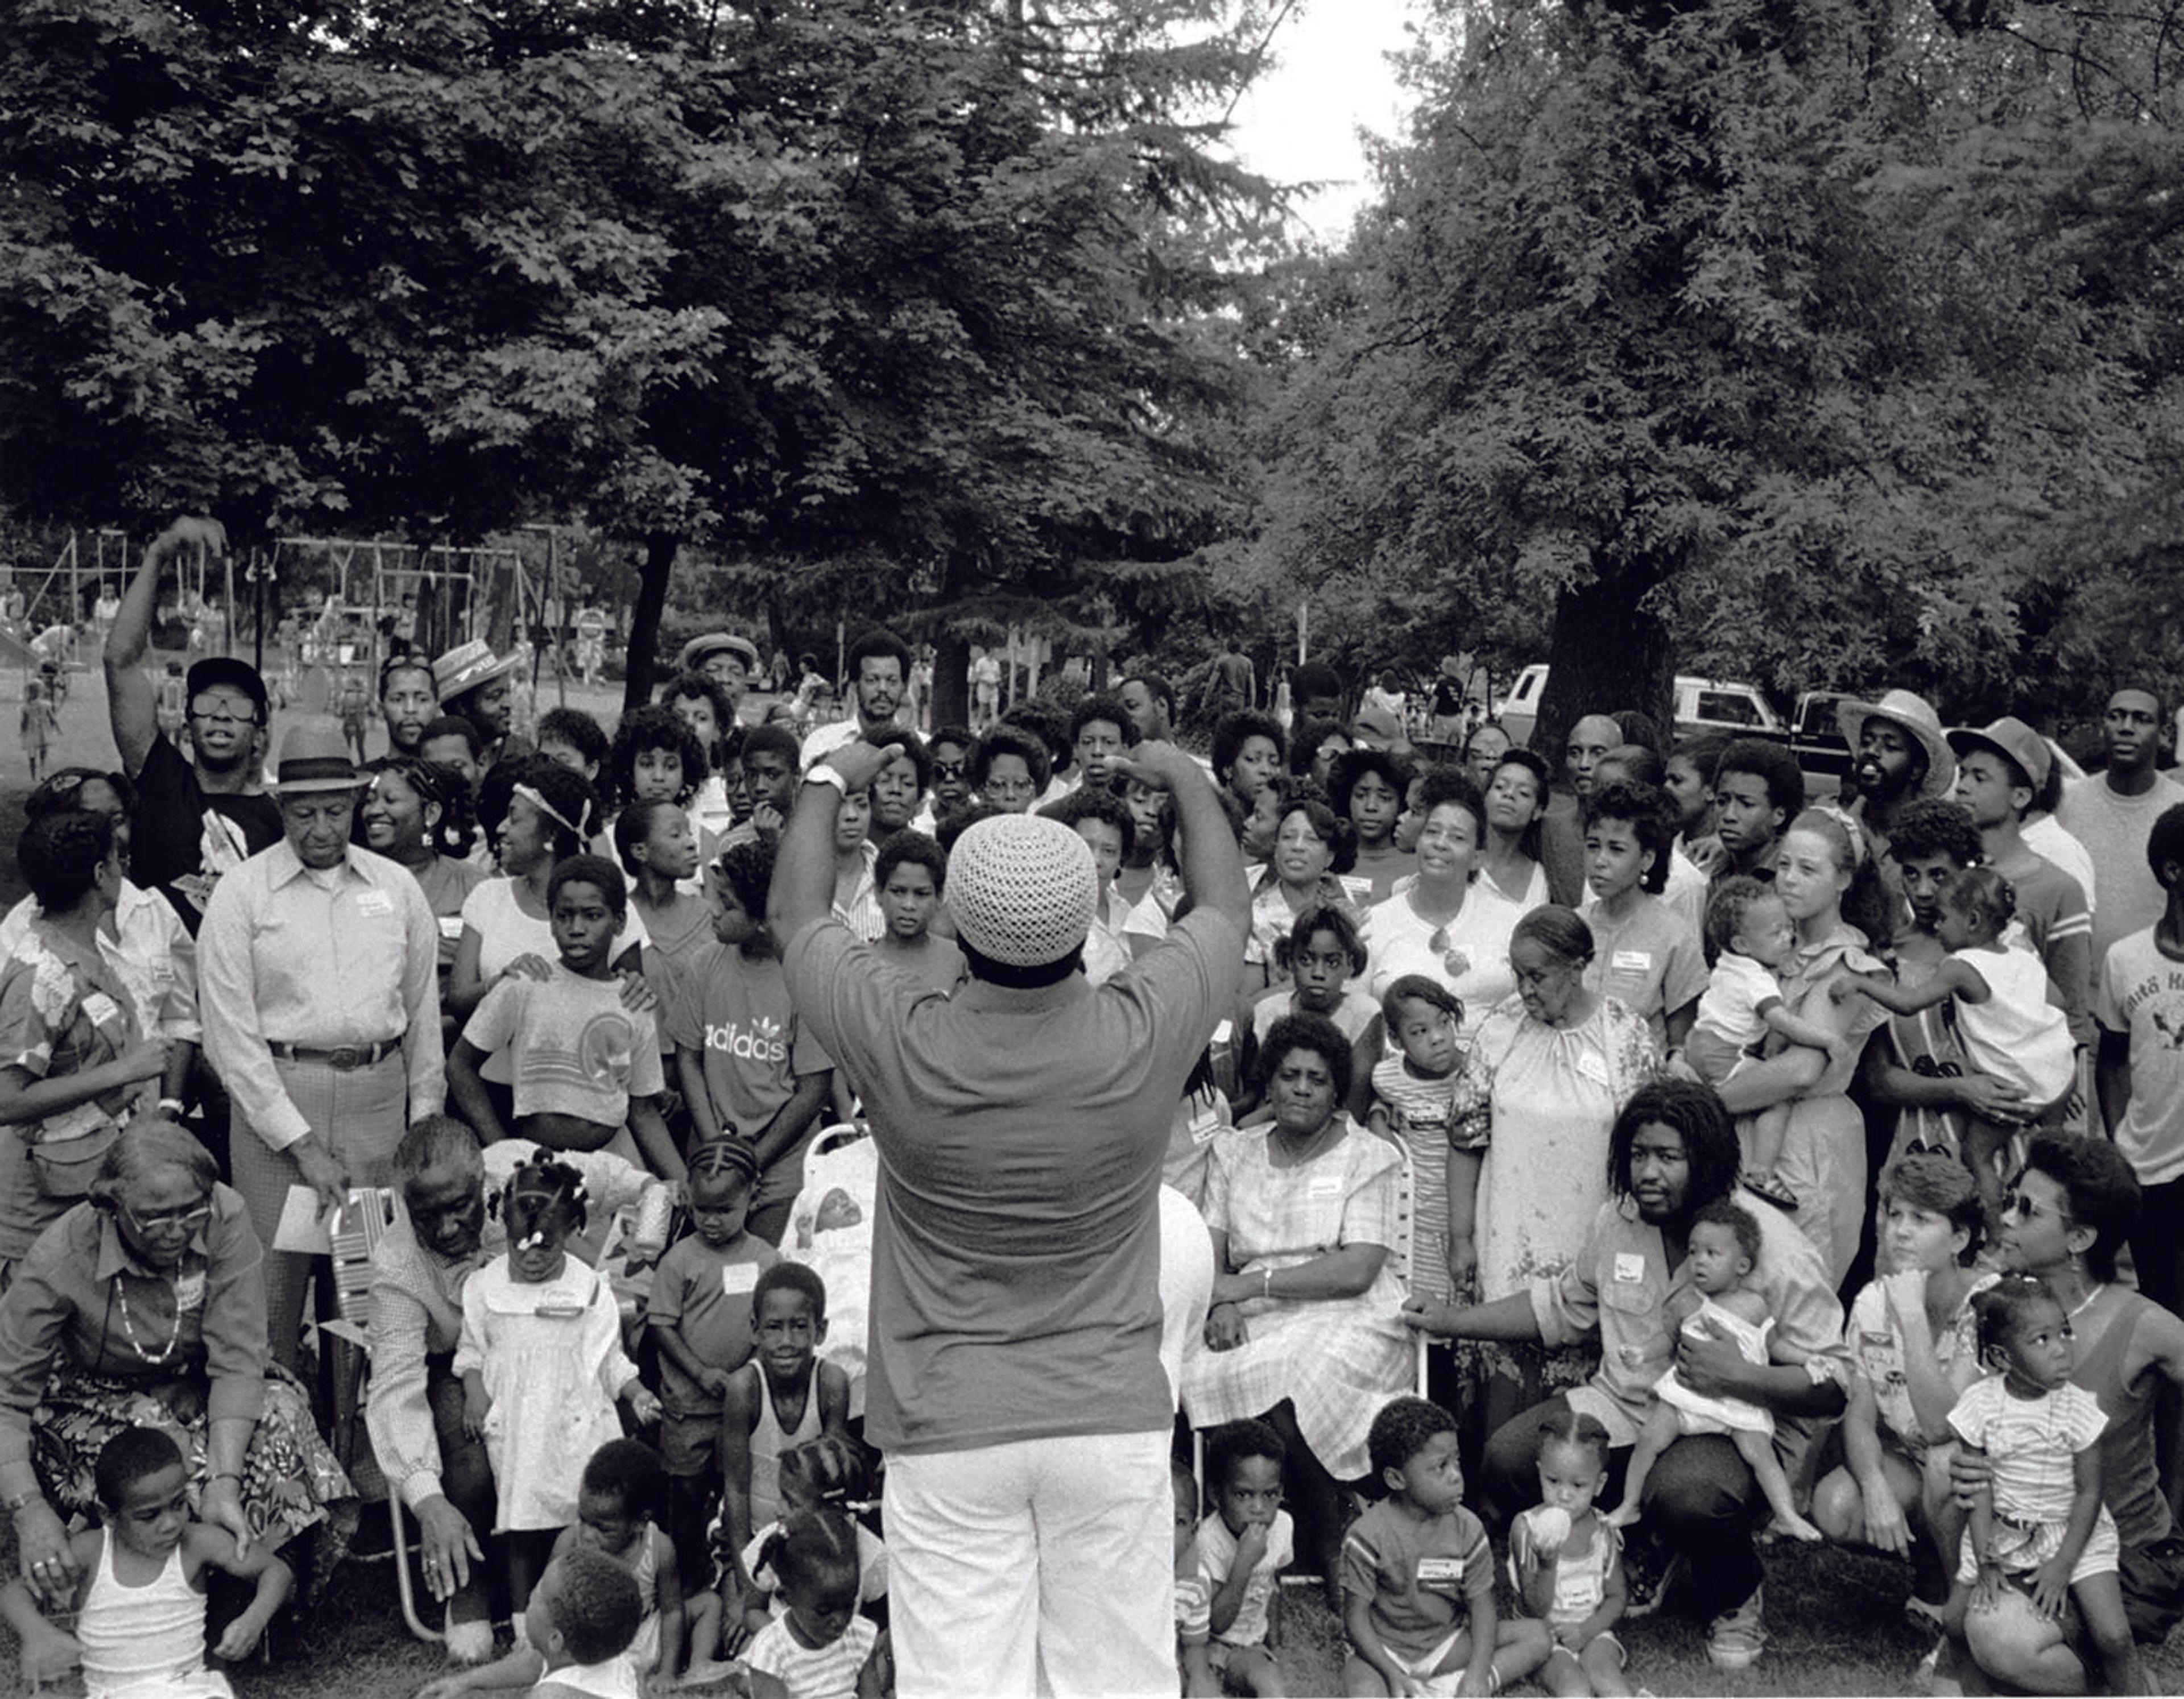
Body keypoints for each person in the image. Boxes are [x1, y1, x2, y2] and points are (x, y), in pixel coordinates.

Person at [772, 730, 1246, 1697]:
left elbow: (796, 912)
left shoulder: (904, 1034)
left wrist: (826, 782)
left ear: (954, 916)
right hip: (1108, 1414)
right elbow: (1227, 904)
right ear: (1088, 921)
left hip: (949, 1423)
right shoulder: (1145, 1024)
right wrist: (1191, 783)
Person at [1407, 1080, 1851, 1675]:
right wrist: (1452, 1319)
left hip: (1730, 1425)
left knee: (1690, 1495)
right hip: (1625, 1405)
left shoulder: (1772, 1245)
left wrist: (1742, 1376)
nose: (1648, 1172)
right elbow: (1561, 1308)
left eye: (1668, 1157)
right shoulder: (1618, 1222)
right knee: (1508, 1460)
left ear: (1709, 1161)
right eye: (1638, 1155)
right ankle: (1635, 1547)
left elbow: (1834, 1384)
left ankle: (1736, 1599)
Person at [0, 1122, 352, 1610]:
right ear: (110, 1207)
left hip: (203, 1377)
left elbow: (237, 1358)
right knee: (158, 1443)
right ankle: (173, 1596)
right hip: (95, 1394)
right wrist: (29, 1511)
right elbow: (6, 1400)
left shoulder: (224, 1214)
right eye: (154, 1217)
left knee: (280, 1412)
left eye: (191, 1211)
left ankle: (266, 1588)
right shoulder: (59, 1257)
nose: (177, 1230)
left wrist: (225, 1484)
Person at [363, 1116, 669, 1663]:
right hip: (463, 1363)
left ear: (485, 1181)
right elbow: (394, 1386)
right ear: (403, 1204)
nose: (450, 1226)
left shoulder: (521, 1171)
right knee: (470, 1452)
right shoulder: (398, 1263)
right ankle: (472, 1585)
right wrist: (425, 1498)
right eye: (427, 1214)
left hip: (555, 1345)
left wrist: (649, 1200)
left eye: (461, 1205)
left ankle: (590, 1580)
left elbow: (608, 1180)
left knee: (600, 1432)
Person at [197, 723, 445, 1371]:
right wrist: (300, 1145)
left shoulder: (394, 889)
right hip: (278, 1107)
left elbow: (422, 1013)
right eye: (304, 813)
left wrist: (422, 1123)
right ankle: (279, 1439)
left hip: (374, 1107)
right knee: (270, 1297)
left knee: (366, 1294)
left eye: (336, 811)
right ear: (281, 809)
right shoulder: (242, 893)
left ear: (357, 803)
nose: (321, 829)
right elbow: (230, 1036)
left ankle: (356, 1437)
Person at [1181, 1013, 1415, 1594]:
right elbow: (1213, 1254)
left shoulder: (1369, 1156)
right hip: (1251, 1309)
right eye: (1290, 1076)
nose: (1303, 1089)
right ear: (1271, 1082)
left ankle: (1328, 1525)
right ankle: (1283, 1523)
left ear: (1338, 1088)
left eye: (1317, 1078)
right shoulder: (1234, 1152)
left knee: (1296, 1368)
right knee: (1199, 1364)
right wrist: (1220, 1303)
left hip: (1351, 1311)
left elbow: (1359, 1269)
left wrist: (1248, 1290)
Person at [1447, 908, 1658, 1428]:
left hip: (1589, 1238)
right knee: (1500, 1400)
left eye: (1537, 976)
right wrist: (1460, 1238)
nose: (1524, 989)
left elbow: (1647, 1147)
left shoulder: (1625, 1036)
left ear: (1578, 967)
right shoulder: (1501, 1029)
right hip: (1506, 1237)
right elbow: (1464, 1138)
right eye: (1517, 974)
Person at [455, 1153, 661, 1609]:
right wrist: (474, 1394)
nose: (531, 1256)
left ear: (570, 1231)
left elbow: (609, 1358)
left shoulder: (588, 1287)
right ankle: (525, 1619)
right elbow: (471, 1352)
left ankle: (585, 1608)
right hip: (519, 1423)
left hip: (575, 1418)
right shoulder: (484, 1287)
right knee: (523, 1523)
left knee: (581, 1518)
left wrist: (637, 1392)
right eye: (519, 1245)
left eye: (545, 1246)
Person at [1707, 807, 1891, 1283]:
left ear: (1844, 881)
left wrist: (1703, 1105)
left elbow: (1801, 1070)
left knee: (1790, 1279)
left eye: (1809, 870)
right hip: (1747, 1126)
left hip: (1807, 1135)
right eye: (1784, 865)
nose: (1789, 880)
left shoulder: (1846, 962)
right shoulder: (1765, 951)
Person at [1942, 1276, 2145, 1697]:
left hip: (2073, 1531)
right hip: (2002, 1530)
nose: (2061, 1348)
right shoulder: (1980, 1406)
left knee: (2114, 1636)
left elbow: (2090, 1493)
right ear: (2002, 1356)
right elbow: (1979, 1489)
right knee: (1956, 1622)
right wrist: (1987, 1560)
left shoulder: (2079, 1409)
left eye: (2065, 1332)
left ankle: (2134, 1690)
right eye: (2041, 1340)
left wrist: (2062, 1566)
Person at [1811, 1155, 1992, 1622]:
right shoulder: (1872, 1302)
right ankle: (1933, 1563)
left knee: (1943, 1461)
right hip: (1916, 1462)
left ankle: (1966, 1609)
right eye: (1894, 1215)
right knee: (1837, 1506)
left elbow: (1942, 1426)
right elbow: (1860, 1414)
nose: (1901, 1231)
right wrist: (1874, 1486)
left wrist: (1912, 1318)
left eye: (1921, 1219)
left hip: (1995, 1475)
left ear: (1959, 1239)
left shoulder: (1991, 1303)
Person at [1836, 867, 2075, 1214]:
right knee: (2047, 1165)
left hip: (2010, 1085)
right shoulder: (2023, 957)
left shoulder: (1960, 966)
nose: (1937, 925)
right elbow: (2060, 1005)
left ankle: (1994, 1237)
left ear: (1974, 920)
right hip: (2057, 1074)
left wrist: (1860, 984)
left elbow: (1907, 1004)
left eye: (1945, 918)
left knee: (1977, 1156)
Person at [0, 1424, 292, 1697]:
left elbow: (275, 1571)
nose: (170, 1524)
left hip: (189, 1690)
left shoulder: (198, 1543)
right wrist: (37, 1634)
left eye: (179, 1504)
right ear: (108, 1516)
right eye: (149, 1516)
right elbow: (14, 1593)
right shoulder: (91, 1552)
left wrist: (254, 1619)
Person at [0, 810, 168, 1276]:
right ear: (100, 873)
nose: (124, 870)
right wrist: (125, 1071)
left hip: (90, 1185)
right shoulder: (43, 974)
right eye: (119, 859)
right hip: (39, 1210)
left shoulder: (83, 949)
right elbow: (6, 1100)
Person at [445, 856, 682, 1178]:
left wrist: (681, 1180)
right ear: (552, 921)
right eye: (564, 916)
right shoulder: (527, 984)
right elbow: (460, 1066)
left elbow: (642, 1108)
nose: (576, 929)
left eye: (593, 915)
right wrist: (500, 1147)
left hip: (610, 1164)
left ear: (620, 922)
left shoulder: (632, 1000)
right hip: (535, 1162)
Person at [1605, 1199, 1823, 1541]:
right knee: (1649, 1438)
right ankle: (1630, 1503)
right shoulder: (1687, 1302)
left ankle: (1785, 1515)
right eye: (1694, 1252)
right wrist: (1642, 1353)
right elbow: (1668, 1339)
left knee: (1760, 1453)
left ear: (1742, 1266)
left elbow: (1776, 1346)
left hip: (1737, 1403)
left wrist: (1808, 1359)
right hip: (1686, 1397)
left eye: (1712, 1254)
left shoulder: (1753, 1306)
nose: (1699, 1262)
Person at [103, 518, 283, 930]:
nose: (221, 713)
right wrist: (158, 554)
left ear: (259, 734)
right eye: (207, 703)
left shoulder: (280, 823)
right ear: (186, 726)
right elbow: (120, 661)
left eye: (238, 707)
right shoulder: (162, 782)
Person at [669, 841, 835, 1245]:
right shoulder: (705, 965)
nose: (713, 911)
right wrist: (716, 1151)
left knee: (763, 1274)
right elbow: (688, 1060)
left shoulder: (804, 979)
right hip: (711, 1165)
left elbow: (812, 1089)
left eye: (727, 904)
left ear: (764, 919)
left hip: (779, 1174)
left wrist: (751, 1163)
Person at [1855, 799, 2032, 1169]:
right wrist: (1960, 1089)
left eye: (1938, 875)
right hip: (1918, 1146)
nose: (1922, 891)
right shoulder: (1887, 952)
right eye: (1911, 874)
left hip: (2002, 1138)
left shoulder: (2008, 944)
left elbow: (2048, 1033)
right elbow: (1879, 1079)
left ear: (1968, 870)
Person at [1341, 1396, 1550, 1699]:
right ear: (1396, 1479)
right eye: (1440, 1467)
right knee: (1362, 1690)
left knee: (1538, 1637)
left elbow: (1482, 1607)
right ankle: (1409, 1687)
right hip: (1385, 1650)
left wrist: (1478, 1676)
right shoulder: (1366, 1536)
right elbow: (1356, 1620)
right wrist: (1390, 1671)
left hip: (1445, 1645)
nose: (1456, 1475)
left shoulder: (1468, 1528)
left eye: (1457, 1461)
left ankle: (1459, 1690)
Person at [646, 1138, 775, 1588]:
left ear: (752, 1198)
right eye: (703, 1210)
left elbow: (771, 1324)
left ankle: (739, 1576)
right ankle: (688, 1582)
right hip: (687, 1408)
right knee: (685, 1494)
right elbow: (662, 1325)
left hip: (742, 1407)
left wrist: (748, 1375)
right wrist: (701, 1372)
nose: (712, 1221)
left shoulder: (765, 1259)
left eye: (725, 1209)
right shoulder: (679, 1259)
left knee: (736, 1492)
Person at [1685, 879, 1840, 1211]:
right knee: (1777, 1099)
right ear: (1742, 943)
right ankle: (1761, 1172)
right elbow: (1782, 1022)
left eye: (1789, 928)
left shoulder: (1728, 963)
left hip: (1698, 1045)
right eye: (1776, 933)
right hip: (1724, 1054)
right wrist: (1827, 1039)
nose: (1788, 938)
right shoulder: (1755, 978)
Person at [1948, 716, 2094, 1054]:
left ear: (2020, 796)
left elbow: (2071, 1011)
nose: (1963, 786)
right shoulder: (1946, 878)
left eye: (1980, 778)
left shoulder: (2058, 888)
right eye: (1964, 773)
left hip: (2027, 1072)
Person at [715, 1263, 853, 1598]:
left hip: (811, 1536)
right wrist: (748, 1577)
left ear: (820, 1331)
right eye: (774, 1328)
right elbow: (735, 1489)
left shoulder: (831, 1384)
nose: (787, 1342)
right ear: (755, 1330)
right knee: (743, 1628)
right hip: (747, 1534)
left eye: (800, 1327)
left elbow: (832, 1486)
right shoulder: (744, 1388)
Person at [2097, 803, 2184, 1326]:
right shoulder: (2125, 959)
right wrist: (2118, 1146)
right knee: (2159, 1304)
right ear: (2174, 871)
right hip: (2147, 1165)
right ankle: (2163, 1411)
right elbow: (2112, 1060)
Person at [1356, 768, 1527, 1026]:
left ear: (1477, 858)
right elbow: (1359, 1016)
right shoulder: (1374, 924)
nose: (1441, 843)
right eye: (1432, 832)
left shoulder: (1512, 922)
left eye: (1457, 837)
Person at [2058, 685, 2184, 973]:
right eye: (2116, 716)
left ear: (2164, 734)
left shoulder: (2180, 810)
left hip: (2160, 986)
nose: (2126, 728)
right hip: (2080, 991)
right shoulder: (2068, 803)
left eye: (2141, 719)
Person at [1508, 1408, 1632, 1698]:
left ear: (1599, 1484)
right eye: (1553, 1481)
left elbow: (1617, 1597)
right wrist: (1547, 1565)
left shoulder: (1603, 1530)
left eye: (1578, 1485)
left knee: (1609, 1682)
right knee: (1574, 1690)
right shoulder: (1526, 1528)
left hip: (1592, 1630)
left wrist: (1588, 1631)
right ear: (1539, 1471)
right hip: (1542, 1637)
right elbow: (1533, 1608)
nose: (1564, 1495)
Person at [1578, 780, 1705, 1054]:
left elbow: (1680, 1039)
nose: (1600, 860)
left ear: (1647, 859)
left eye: (1616, 849)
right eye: (1592, 846)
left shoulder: (1674, 935)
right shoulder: (1573, 926)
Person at [1362, 977, 1465, 1308]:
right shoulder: (1388, 1078)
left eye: (1444, 1024)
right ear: (1396, 1038)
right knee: (1424, 1294)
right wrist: (1379, 1123)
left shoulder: (1474, 1071)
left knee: (1465, 1292)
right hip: (1417, 1213)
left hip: (1465, 1211)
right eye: (1419, 1032)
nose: (1437, 1039)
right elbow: (1378, 1106)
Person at [359, 756, 484, 991]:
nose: (374, 811)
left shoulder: (473, 886)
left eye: (390, 800)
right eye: (369, 801)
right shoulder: (353, 882)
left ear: (431, 813)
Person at [738, 1506, 886, 1699]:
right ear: (787, 1596)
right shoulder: (772, 1652)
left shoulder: (858, 1636)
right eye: (824, 1610)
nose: (840, 1621)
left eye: (849, 1605)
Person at [1194, 1419, 1291, 1694]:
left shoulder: (1283, 1527)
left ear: (1281, 1493)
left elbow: (1274, 1586)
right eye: (1243, 1495)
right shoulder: (1208, 1540)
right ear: (1216, 1495)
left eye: (1270, 1494)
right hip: (1207, 1647)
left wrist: (1277, 1646)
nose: (1259, 1508)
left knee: (1273, 1686)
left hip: (1248, 1649)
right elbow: (1216, 1623)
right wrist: (1244, 1564)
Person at [1834, 689, 1957, 896]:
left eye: (1890, 746)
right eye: (1866, 742)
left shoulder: (1937, 846)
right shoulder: (1834, 827)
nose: (1872, 752)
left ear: (1917, 769)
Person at [801, 629, 911, 772]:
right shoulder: (823, 743)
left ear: (904, 687)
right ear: (854, 686)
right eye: (872, 680)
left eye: (892, 681)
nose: (883, 689)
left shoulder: (923, 747)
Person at [870, 832, 963, 991]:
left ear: (940, 897)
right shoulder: (862, 962)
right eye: (898, 891)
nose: (909, 905)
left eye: (921, 894)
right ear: (879, 892)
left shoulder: (957, 960)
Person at [1331, 748, 1414, 902]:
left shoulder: (1417, 866)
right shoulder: (1329, 859)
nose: (1371, 807)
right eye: (1361, 796)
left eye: (1384, 798)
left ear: (1401, 806)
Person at [432, 640, 523, 768]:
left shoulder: (520, 752)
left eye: (508, 692)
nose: (508, 704)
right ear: (462, 707)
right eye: (495, 697)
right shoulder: (438, 760)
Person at [1479, 749, 1552, 909]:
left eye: (1524, 793)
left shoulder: (1540, 880)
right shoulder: (1460, 860)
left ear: (1537, 811)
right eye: (1500, 787)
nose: (1509, 794)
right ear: (1485, 797)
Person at [677, 632, 763, 726]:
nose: (725, 679)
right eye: (713, 670)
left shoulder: (751, 738)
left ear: (744, 687)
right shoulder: (676, 734)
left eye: (736, 673)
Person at [1118, 671, 1176, 744]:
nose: (1123, 716)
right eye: (1120, 711)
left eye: (1132, 706)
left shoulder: (1185, 756)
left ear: (1162, 706)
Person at [18, 677, 57, 784]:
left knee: (32, 754)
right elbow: (52, 718)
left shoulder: (26, 707)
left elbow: (24, 722)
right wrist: (57, 727)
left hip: (31, 732)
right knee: (43, 752)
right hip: (42, 731)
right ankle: (42, 772)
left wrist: (22, 731)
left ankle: (33, 775)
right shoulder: (46, 704)